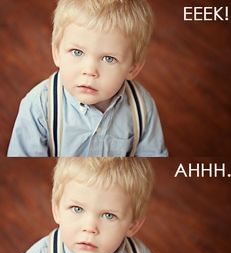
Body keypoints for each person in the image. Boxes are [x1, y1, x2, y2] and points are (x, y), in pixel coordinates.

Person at [7, 0, 168, 157]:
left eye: (108, 59)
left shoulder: (142, 107)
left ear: (133, 68)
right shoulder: (38, 106)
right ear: (56, 53)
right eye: (77, 52)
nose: (90, 71)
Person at [8, 157, 168, 253]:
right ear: (56, 210)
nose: (90, 227)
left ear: (133, 225)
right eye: (77, 209)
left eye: (108, 215)